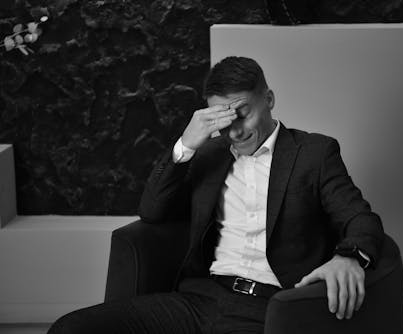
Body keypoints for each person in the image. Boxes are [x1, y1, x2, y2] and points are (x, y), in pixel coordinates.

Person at [48, 56, 384, 334]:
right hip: (201, 300)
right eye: (223, 120)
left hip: (273, 309)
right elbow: (151, 212)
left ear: (268, 100)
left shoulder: (313, 153)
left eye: (243, 113)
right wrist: (186, 145)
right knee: (72, 328)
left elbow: (360, 218)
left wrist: (349, 257)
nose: (234, 131)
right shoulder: (209, 154)